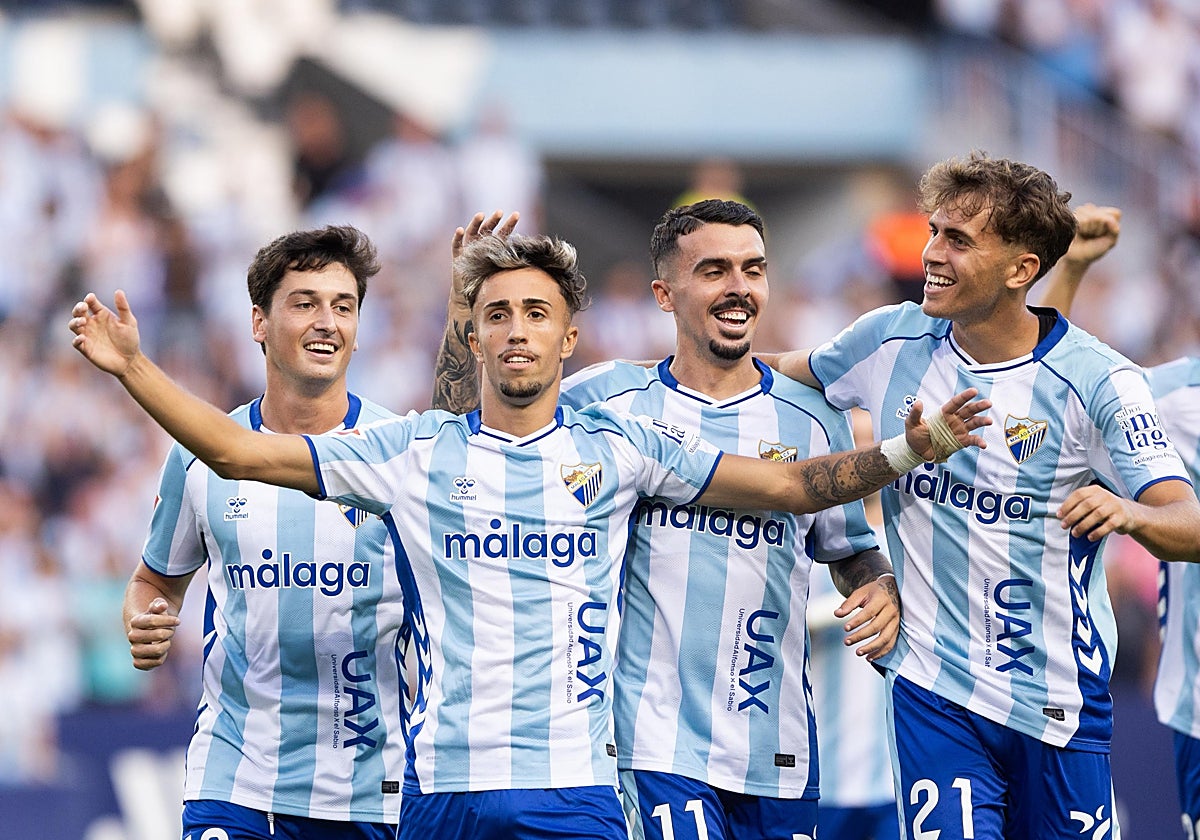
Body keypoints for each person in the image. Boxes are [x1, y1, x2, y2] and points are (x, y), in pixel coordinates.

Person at [70, 232, 991, 840]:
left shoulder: (622, 446)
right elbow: (237, 452)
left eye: (537, 315)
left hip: (576, 794)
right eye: (498, 315)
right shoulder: (415, 452)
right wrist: (133, 367)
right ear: (471, 335)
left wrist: (918, 445)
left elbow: (791, 485)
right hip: (440, 793)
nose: (517, 332)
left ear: (569, 340)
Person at [762, 151, 1200, 839]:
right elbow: (764, 384)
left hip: (1058, 702)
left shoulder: (1101, 380)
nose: (932, 253)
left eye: (957, 240)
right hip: (937, 694)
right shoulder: (888, 338)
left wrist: (1130, 512)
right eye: (935, 231)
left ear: (1021, 270)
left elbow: (1189, 521)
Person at [434, 203, 900, 840]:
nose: (738, 287)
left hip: (779, 749)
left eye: (753, 270)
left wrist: (876, 583)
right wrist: (466, 313)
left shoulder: (812, 420)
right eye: (713, 270)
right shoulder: (602, 401)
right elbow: (468, 435)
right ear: (664, 294)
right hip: (650, 745)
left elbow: (848, 548)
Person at [122, 226, 405, 840]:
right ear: (259, 322)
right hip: (236, 778)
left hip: (368, 787)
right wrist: (145, 619)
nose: (326, 322)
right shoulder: (198, 456)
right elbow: (155, 580)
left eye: (343, 306)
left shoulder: (400, 452)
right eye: (304, 303)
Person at [806, 410, 898, 840]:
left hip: (893, 779)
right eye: (851, 443)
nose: (863, 454)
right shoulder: (812, 535)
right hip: (824, 776)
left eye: (871, 442)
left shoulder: (908, 535)